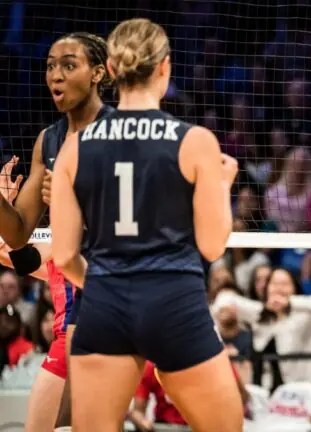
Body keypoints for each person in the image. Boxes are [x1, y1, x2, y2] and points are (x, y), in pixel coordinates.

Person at [49, 18, 242, 432]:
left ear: (111, 70)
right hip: (175, 302)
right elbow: (212, 246)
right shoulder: (194, 141)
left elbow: (63, 256)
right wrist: (223, 183)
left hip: (105, 305)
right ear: (165, 67)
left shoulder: (75, 147)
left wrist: (108, 284)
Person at [0, 32, 113, 432]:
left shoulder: (124, 133)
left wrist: (73, 197)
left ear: (98, 73)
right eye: (50, 66)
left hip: (119, 296)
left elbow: (136, 222)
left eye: (69, 65)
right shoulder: (48, 141)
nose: (56, 75)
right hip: (78, 313)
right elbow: (18, 237)